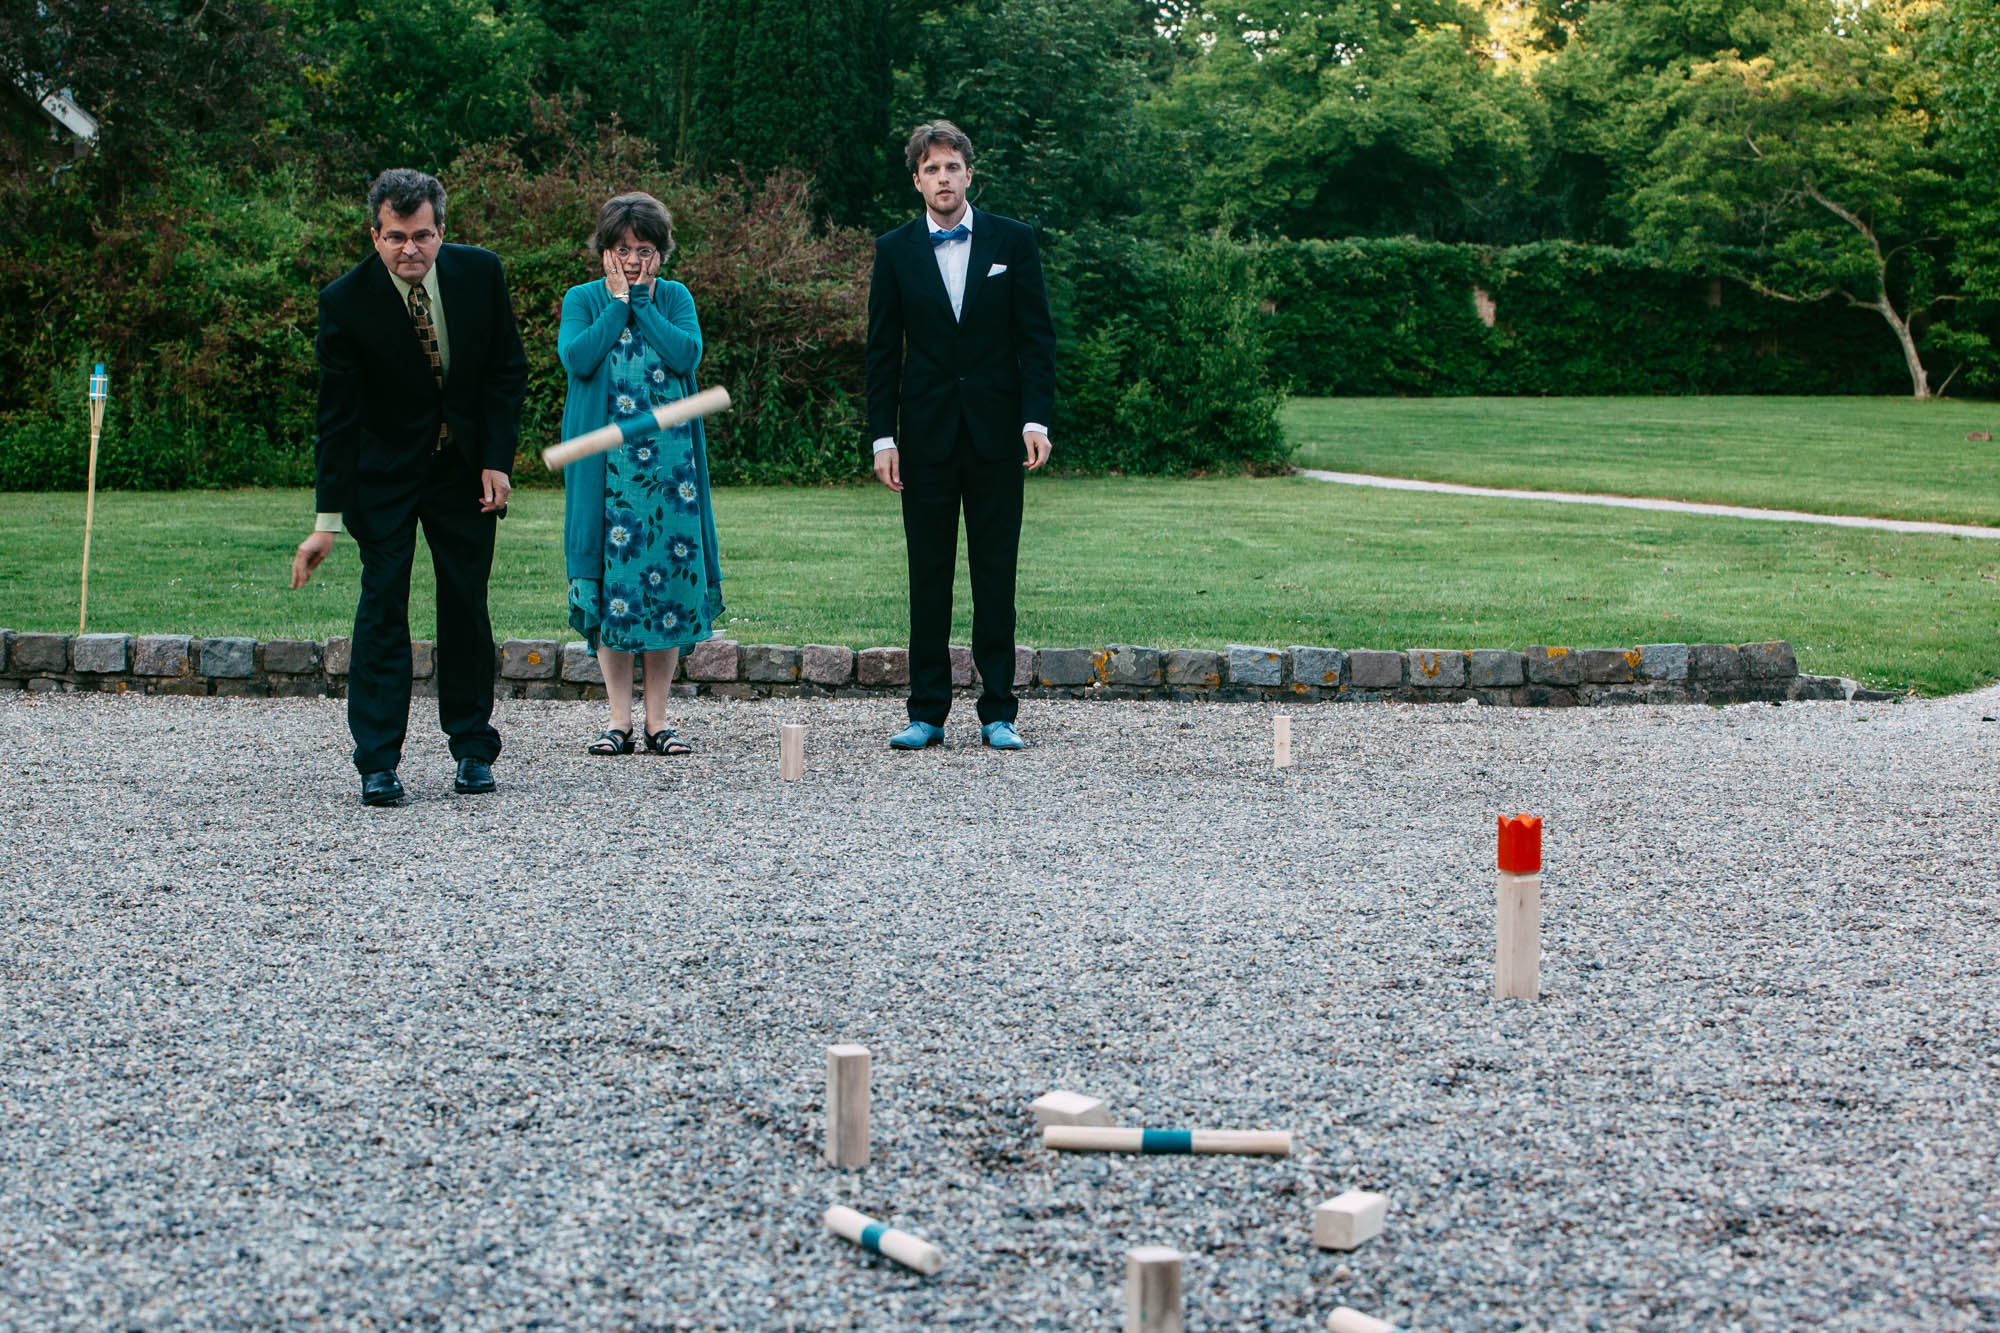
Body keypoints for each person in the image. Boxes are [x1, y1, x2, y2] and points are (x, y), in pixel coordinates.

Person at [291, 168, 527, 807]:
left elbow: (506, 374)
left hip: (465, 473)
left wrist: (497, 459)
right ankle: (377, 762)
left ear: (441, 231)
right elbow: (336, 421)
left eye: (422, 236)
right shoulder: (345, 302)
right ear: (375, 236)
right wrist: (326, 521)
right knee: (383, 607)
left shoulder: (481, 275)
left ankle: (473, 748)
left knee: (465, 604)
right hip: (384, 479)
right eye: (396, 238)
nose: (410, 250)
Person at [866, 119, 1056, 751]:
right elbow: (880, 354)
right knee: (929, 573)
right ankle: (927, 712)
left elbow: (1036, 339)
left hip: (999, 434)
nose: (942, 179)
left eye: (952, 167)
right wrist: (881, 438)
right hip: (923, 437)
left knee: (995, 572)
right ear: (916, 179)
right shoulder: (894, 250)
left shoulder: (1014, 241)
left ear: (968, 173)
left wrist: (1035, 419)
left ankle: (999, 711)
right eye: (931, 169)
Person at [556, 192, 724, 757]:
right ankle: (618, 722)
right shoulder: (581, 299)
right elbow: (578, 359)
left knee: (668, 591)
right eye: (622, 248)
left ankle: (659, 723)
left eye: (644, 249)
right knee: (613, 594)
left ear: (661, 252)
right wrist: (618, 304)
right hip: (605, 476)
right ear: (605, 250)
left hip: (670, 476)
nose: (632, 258)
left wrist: (645, 303)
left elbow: (686, 357)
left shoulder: (675, 297)